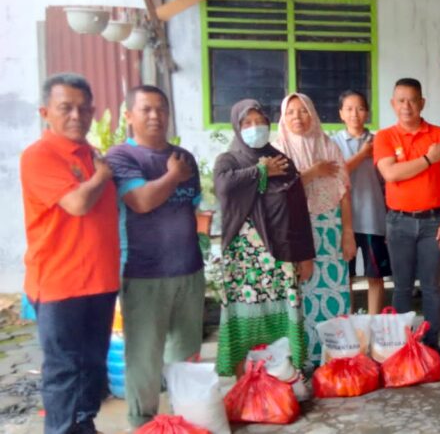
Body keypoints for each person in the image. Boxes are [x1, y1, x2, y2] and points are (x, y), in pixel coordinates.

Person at [21, 73, 118, 434]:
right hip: (60, 285)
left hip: (100, 281)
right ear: (46, 112)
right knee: (64, 371)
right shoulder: (39, 156)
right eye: (66, 108)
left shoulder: (92, 155)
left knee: (92, 367)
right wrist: (101, 176)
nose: (76, 115)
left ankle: (84, 425)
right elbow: (77, 204)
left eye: (83, 108)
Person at [106, 85, 204, 427]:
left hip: (189, 271)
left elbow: (193, 208)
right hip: (143, 274)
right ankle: (142, 424)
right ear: (128, 116)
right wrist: (173, 175)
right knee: (144, 359)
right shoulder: (122, 157)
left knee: (186, 356)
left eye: (161, 108)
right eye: (146, 109)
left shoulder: (184, 156)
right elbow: (141, 201)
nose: (155, 115)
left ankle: (186, 420)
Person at [213, 99, 315, 376]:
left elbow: (298, 210)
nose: (254, 127)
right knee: (245, 322)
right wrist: (260, 171)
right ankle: (245, 384)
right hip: (244, 259)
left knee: (281, 318)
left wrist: (306, 255)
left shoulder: (282, 161)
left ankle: (282, 379)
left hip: (281, 255)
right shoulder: (228, 160)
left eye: (260, 122)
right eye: (247, 123)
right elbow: (224, 188)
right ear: (237, 126)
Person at [273, 93, 356, 370]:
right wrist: (314, 171)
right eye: (291, 112)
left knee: (334, 292)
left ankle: (337, 358)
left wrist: (348, 233)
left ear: (313, 113)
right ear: (283, 118)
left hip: (331, 229)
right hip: (295, 230)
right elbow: (280, 192)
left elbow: (344, 192)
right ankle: (305, 360)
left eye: (303, 110)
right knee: (302, 293)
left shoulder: (328, 146)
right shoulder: (278, 151)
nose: (297, 117)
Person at [373, 78, 440, 349]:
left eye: (412, 100)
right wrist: (428, 159)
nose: (406, 106)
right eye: (401, 100)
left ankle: (431, 347)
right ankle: (401, 347)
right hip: (398, 221)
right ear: (393, 104)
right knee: (402, 286)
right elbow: (390, 173)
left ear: (422, 103)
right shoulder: (385, 137)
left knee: (431, 287)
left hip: (434, 222)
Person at [332, 90, 391, 314]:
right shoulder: (333, 143)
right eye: (349, 109)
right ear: (341, 113)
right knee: (343, 277)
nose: (354, 114)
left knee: (375, 276)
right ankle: (348, 325)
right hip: (342, 221)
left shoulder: (380, 141)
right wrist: (363, 153)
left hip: (373, 218)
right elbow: (337, 174)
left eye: (360, 108)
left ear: (367, 113)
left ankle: (374, 325)